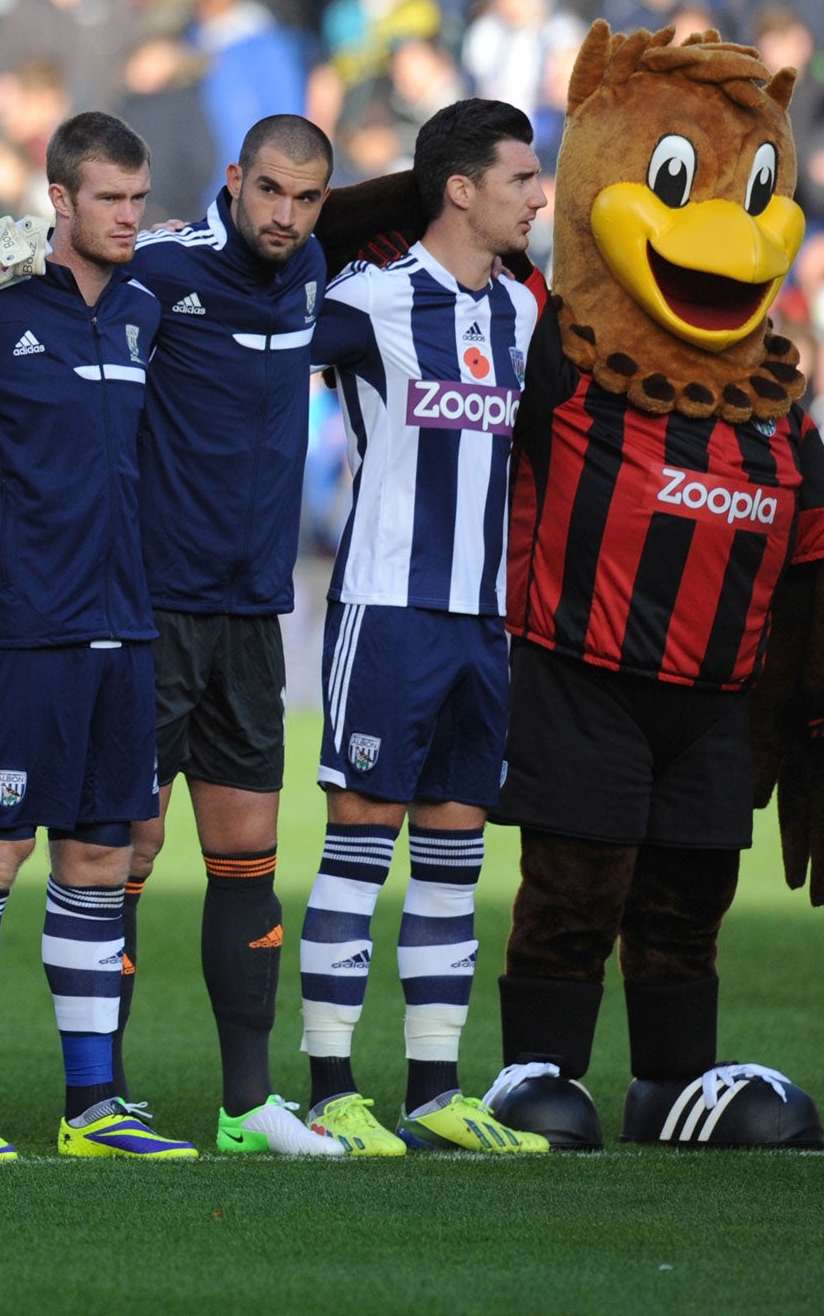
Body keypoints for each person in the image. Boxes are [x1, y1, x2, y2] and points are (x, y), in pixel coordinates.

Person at [0, 112, 195, 1162]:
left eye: (137, 199)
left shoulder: (143, 310)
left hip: (121, 627)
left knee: (98, 853)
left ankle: (91, 1108)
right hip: (7, 629)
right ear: (59, 202)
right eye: (109, 201)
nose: (128, 218)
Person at [299, 97, 551, 1156]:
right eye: (518, 180)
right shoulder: (366, 301)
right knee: (358, 847)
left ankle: (436, 1090)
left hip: (477, 625)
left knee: (453, 860)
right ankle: (327, 1091)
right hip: (386, 609)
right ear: (459, 190)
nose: (538, 197)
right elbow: (248, 340)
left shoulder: (522, 313)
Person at [119, 115, 345, 1157]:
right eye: (268, 192)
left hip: (254, 610)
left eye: (304, 199)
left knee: (247, 850)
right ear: (232, 180)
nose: (283, 215)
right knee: (125, 846)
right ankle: (96, 1098)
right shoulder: (161, 268)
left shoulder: (314, 275)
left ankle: (247, 1106)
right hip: (149, 609)